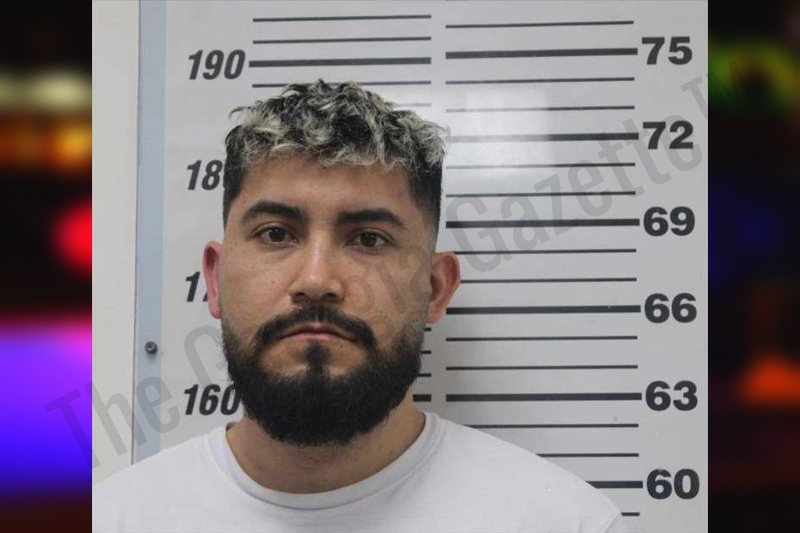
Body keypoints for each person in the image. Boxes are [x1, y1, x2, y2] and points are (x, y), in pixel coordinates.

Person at [92, 79, 628, 533]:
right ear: (214, 279)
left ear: (435, 289)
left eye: (369, 239)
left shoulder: (565, 523)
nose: (316, 280)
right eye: (276, 233)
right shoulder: (115, 519)